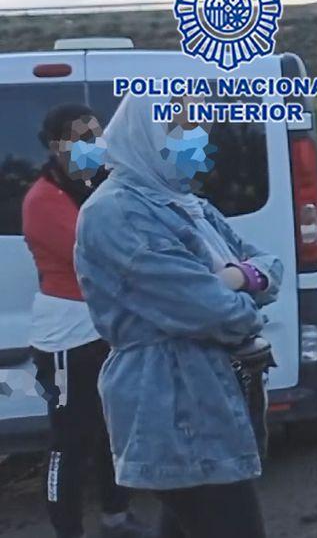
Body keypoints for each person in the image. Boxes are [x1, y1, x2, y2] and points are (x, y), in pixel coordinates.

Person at [74, 95, 283, 538]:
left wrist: (236, 276)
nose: (198, 149)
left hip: (212, 398)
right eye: (184, 136)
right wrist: (242, 289)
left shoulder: (187, 204)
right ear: (147, 137)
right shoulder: (116, 212)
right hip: (173, 403)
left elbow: (271, 266)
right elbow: (215, 313)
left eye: (200, 136)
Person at [23, 104, 153, 538]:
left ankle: (116, 516)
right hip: (67, 337)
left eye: (95, 136)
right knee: (69, 443)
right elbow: (101, 253)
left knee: (112, 430)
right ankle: (68, 532)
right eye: (78, 139)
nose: (91, 146)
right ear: (56, 146)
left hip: (105, 327)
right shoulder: (43, 200)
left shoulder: (99, 186)